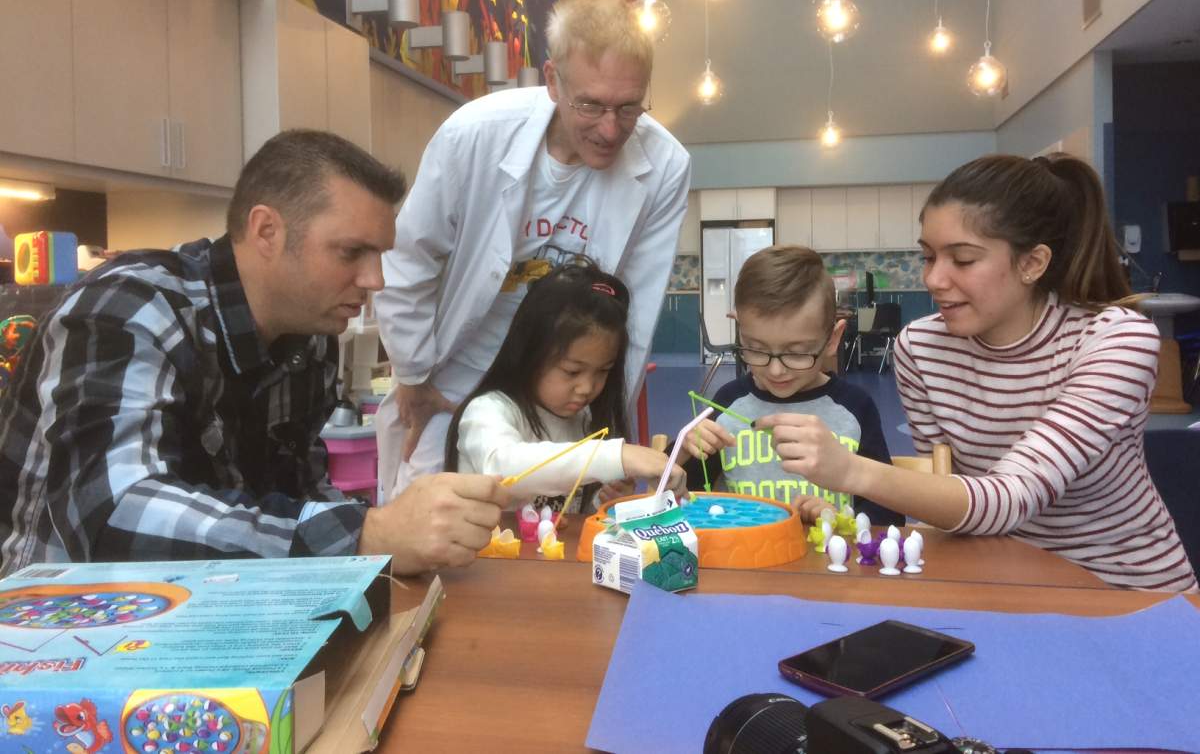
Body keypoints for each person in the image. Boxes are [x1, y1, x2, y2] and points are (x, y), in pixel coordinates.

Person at [0, 130, 508, 577]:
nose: (375, 280)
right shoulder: (127, 310)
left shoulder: (309, 339)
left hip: (205, 620)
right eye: (352, 252)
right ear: (267, 231)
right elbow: (115, 515)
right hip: (56, 639)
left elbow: (299, 496)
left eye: (380, 256)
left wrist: (401, 538)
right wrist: (368, 534)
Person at [760, 154, 1198, 593]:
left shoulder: (1117, 340)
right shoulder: (921, 348)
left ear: (1032, 263)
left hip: (1130, 595)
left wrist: (851, 470)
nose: (934, 279)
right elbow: (949, 494)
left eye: (963, 260)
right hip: (1004, 585)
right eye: (928, 256)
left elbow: (1010, 498)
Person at [374, 0, 691, 500]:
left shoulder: (665, 165)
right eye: (590, 104)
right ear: (551, 81)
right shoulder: (473, 136)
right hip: (452, 374)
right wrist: (411, 372)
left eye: (628, 107)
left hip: (565, 381)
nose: (610, 129)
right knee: (432, 515)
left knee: (555, 522)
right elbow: (407, 257)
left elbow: (636, 311)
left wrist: (606, 422)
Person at [680, 246, 903, 527]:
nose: (775, 370)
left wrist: (841, 519)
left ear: (833, 340)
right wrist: (687, 450)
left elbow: (890, 516)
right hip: (745, 565)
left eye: (797, 353)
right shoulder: (728, 403)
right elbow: (686, 499)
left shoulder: (855, 407)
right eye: (756, 348)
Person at [445, 262, 686, 508]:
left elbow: (566, 516)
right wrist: (614, 456)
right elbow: (503, 470)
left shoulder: (583, 421)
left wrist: (604, 501)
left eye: (603, 371)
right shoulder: (488, 411)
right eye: (572, 371)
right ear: (530, 353)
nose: (586, 387)